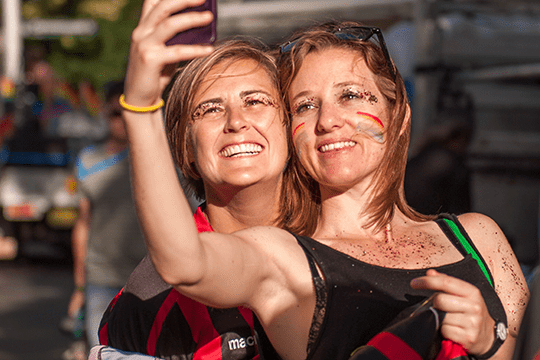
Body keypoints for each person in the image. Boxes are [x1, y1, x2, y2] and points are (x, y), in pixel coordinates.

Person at [112, 0, 529, 358]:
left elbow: (518, 344)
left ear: (398, 113)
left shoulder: (480, 238)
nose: (328, 121)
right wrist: (141, 107)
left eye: (349, 95)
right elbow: (184, 262)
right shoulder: (283, 257)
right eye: (306, 105)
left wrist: (487, 340)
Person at [96, 38, 310, 359]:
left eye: (255, 101)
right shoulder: (151, 295)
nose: (236, 122)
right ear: (187, 150)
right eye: (210, 109)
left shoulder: (344, 241)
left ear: (288, 125)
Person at [64, 80, 148, 358]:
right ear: (106, 115)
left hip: (147, 279)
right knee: (100, 352)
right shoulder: (88, 160)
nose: (121, 120)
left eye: (128, 112)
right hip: (101, 278)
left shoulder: (154, 158)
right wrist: (79, 286)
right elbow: (82, 225)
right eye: (115, 113)